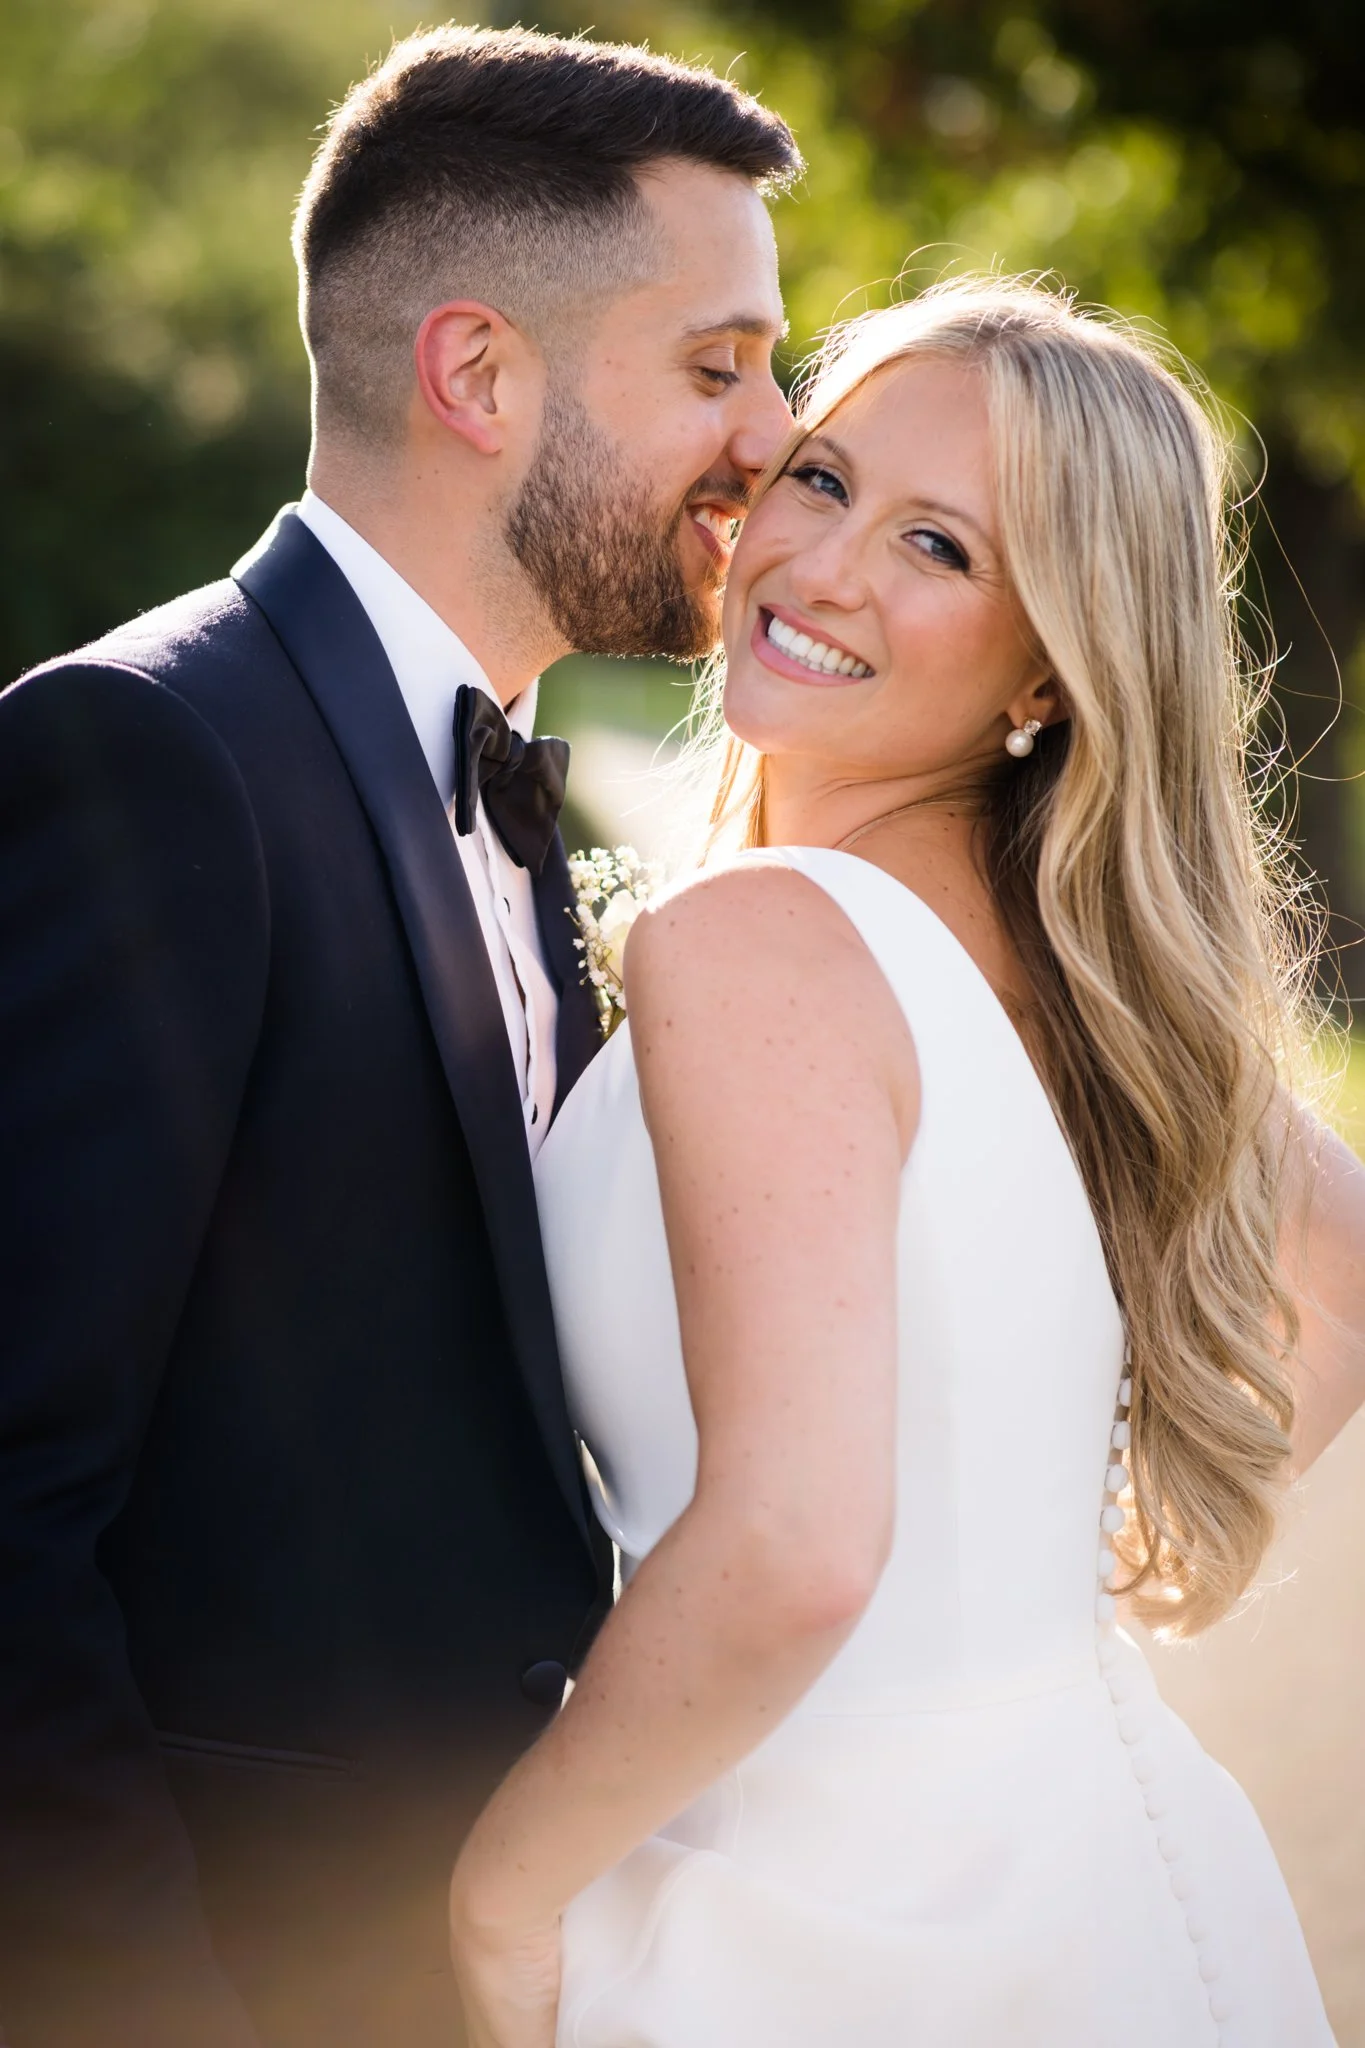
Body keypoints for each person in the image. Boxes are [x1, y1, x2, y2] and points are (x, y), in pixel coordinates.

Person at [450, 277, 1365, 2047]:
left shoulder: (759, 938)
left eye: (940, 547)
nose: (827, 566)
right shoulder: (1072, 957)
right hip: (1098, 1867)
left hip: (820, 1924)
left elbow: (795, 1543)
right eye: (822, 478)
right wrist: (1027, 1579)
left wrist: (501, 1898)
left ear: (1053, 664)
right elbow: (1346, 1250)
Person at [0, 26, 798, 2048]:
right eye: (718, 365)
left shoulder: (501, 784)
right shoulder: (155, 755)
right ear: (475, 374)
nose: (775, 438)